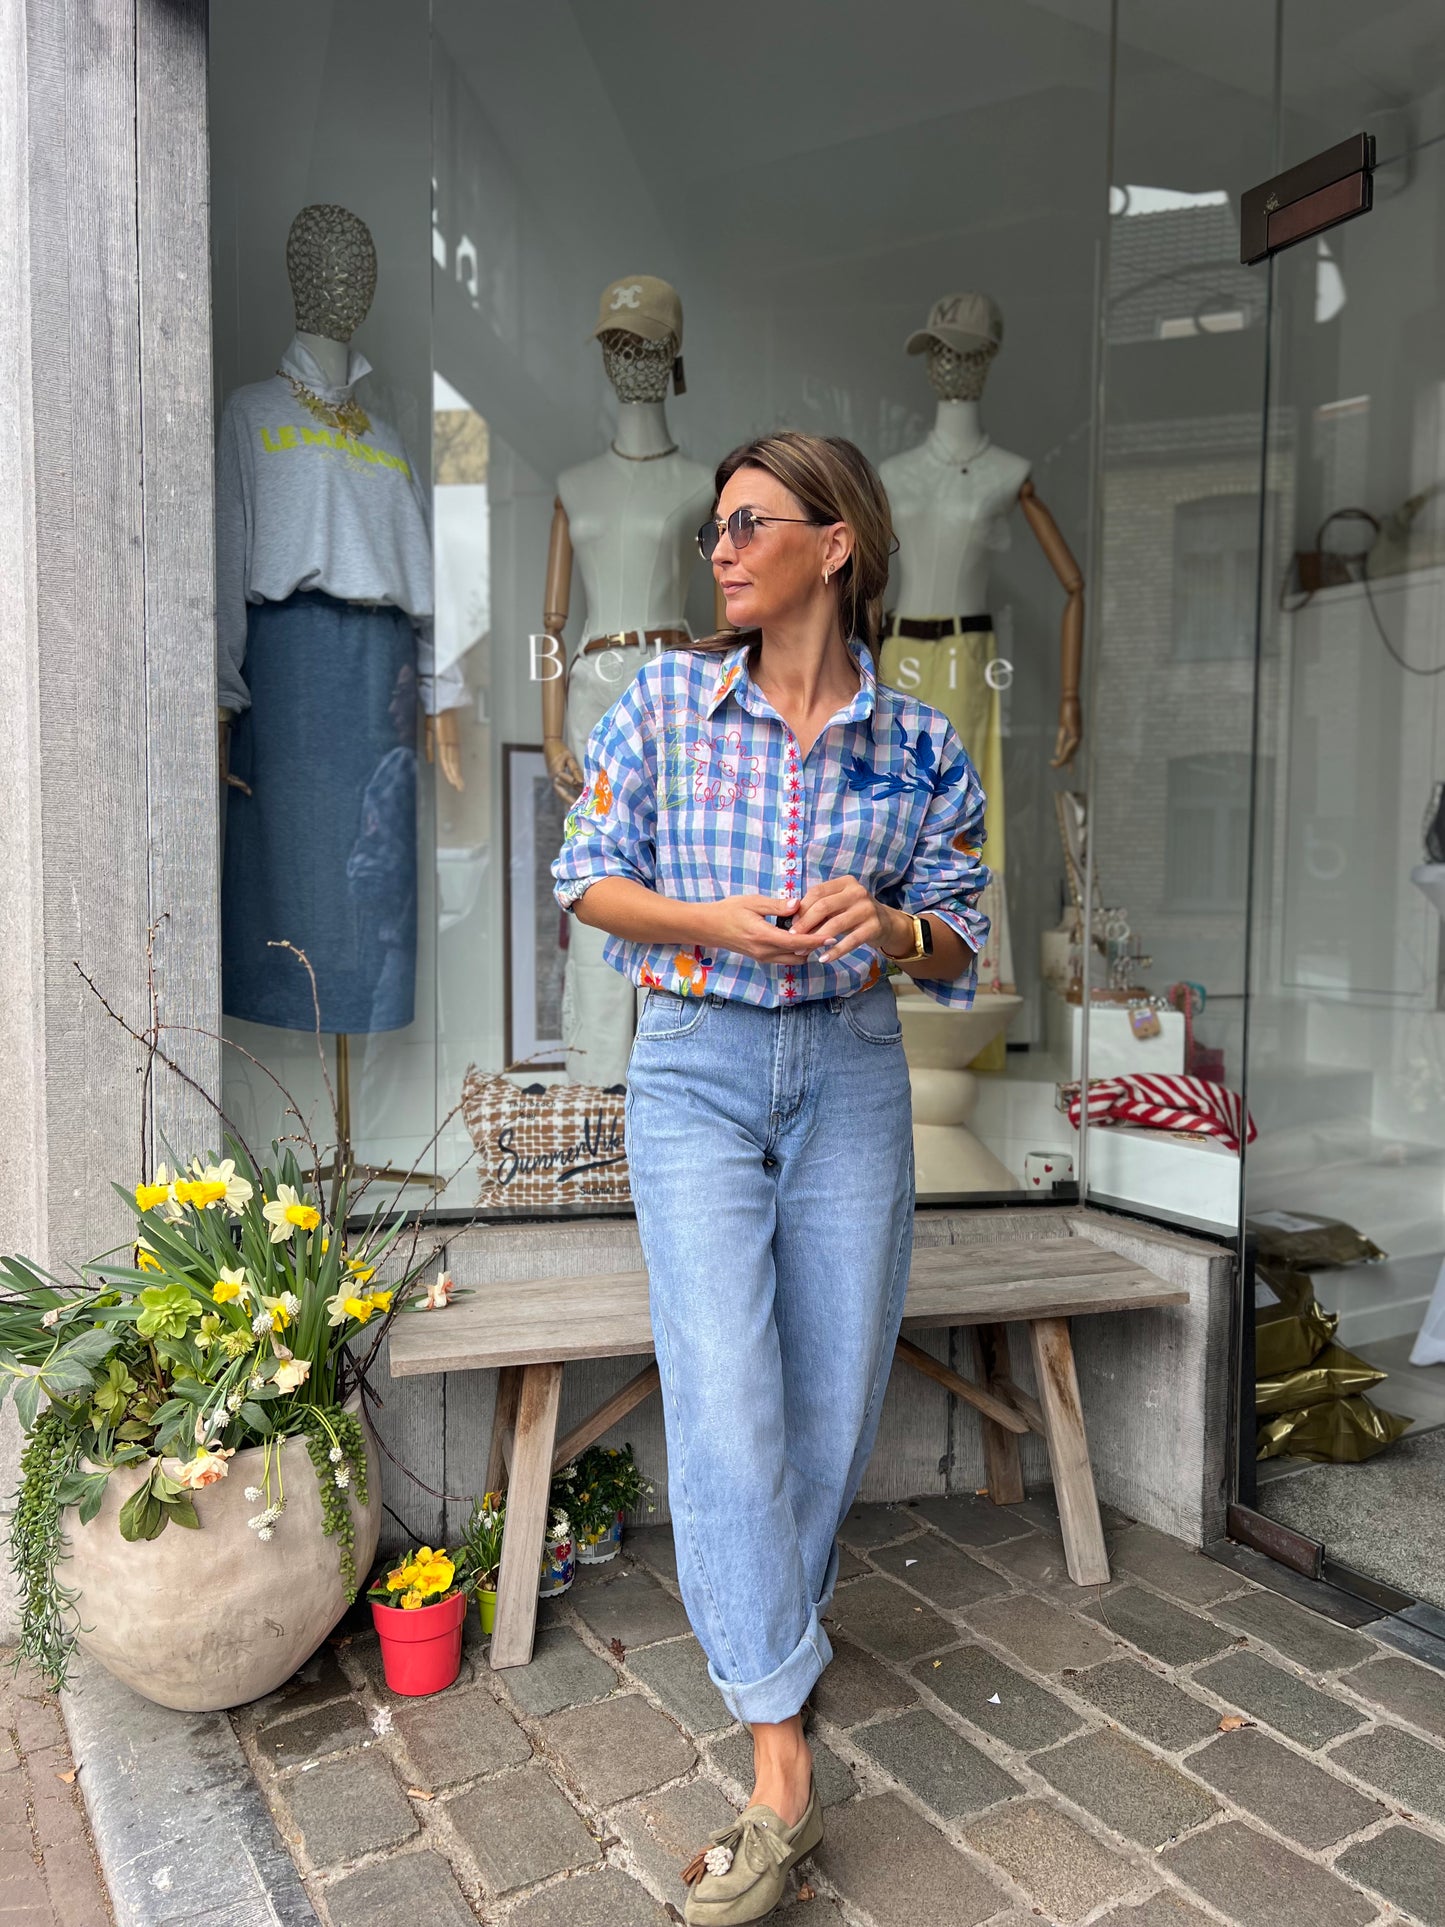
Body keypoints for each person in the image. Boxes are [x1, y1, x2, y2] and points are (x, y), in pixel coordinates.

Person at [551, 431, 990, 1923]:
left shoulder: (919, 742)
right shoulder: (666, 701)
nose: (720, 548)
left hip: (852, 1078)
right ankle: (777, 1756)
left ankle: (767, 1646)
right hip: (695, 1068)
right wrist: (717, 926)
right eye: (712, 527)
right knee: (725, 1390)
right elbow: (582, 876)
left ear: (836, 543)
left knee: (831, 1394)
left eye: (749, 523)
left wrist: (889, 926)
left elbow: (961, 932)